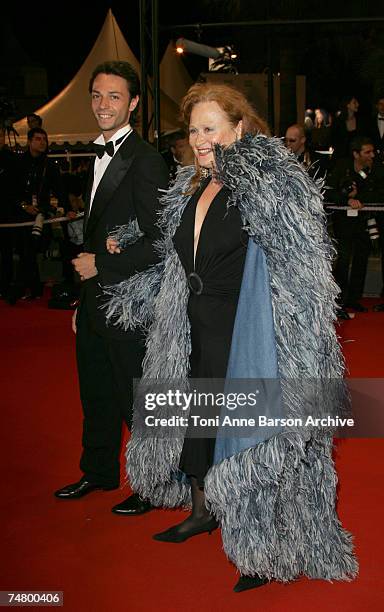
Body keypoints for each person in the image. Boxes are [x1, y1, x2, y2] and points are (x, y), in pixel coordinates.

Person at [105, 83, 358, 591]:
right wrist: (128, 284)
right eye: (194, 129)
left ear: (239, 128)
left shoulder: (267, 186)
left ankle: (259, 549)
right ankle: (203, 511)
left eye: (211, 128)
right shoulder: (193, 187)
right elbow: (177, 259)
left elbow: (300, 264)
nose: (199, 139)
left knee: (245, 436)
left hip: (245, 327)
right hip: (194, 323)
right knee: (198, 422)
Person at [53, 61, 169, 517]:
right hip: (95, 302)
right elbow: (99, 228)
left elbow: (160, 243)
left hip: (127, 303)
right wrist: (83, 302)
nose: (103, 104)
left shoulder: (146, 160)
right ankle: (98, 472)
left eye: (114, 96)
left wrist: (101, 263)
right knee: (96, 394)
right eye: (97, 95)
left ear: (134, 103)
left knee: (133, 399)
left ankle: (151, 484)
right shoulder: (95, 154)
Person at [9, 127, 68, 303]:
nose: (42, 142)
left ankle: (23, 289)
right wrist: (24, 206)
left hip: (41, 215)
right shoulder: (18, 163)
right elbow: (10, 191)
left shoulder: (49, 166)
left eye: (44, 139)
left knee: (32, 249)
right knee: (26, 251)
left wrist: (67, 207)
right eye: (38, 139)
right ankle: (31, 288)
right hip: (21, 215)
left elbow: (60, 189)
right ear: (29, 142)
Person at [326, 136, 384, 312]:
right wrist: (347, 198)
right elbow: (329, 191)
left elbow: (380, 194)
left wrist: (360, 199)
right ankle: (340, 298)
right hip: (344, 223)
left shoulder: (378, 170)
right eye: (367, 152)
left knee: (361, 259)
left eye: (372, 151)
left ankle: (354, 299)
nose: (372, 155)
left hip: (365, 222)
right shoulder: (342, 168)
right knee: (342, 259)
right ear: (356, 154)